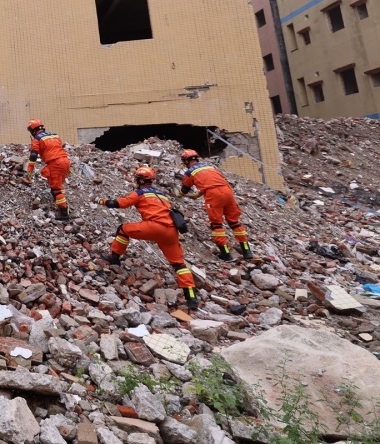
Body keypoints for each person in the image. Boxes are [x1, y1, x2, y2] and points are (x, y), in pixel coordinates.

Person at [96, 166, 199, 309]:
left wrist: (101, 201)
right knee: (179, 264)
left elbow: (119, 204)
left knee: (123, 230)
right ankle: (192, 299)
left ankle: (114, 258)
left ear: (139, 180)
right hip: (171, 231)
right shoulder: (161, 195)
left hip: (154, 227)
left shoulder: (140, 193)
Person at [179, 149, 252, 261]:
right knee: (234, 223)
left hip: (214, 195)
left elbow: (185, 189)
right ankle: (247, 252)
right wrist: (199, 193)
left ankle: (226, 254)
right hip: (227, 192)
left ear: (186, 161)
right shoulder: (210, 167)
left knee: (216, 224)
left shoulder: (190, 172)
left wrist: (179, 195)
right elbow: (215, 181)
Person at [23, 119, 72, 221]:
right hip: (65, 161)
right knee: (58, 185)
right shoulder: (55, 135)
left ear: (33, 130)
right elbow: (55, 148)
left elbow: (33, 155)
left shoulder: (37, 139)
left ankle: (64, 213)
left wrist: (29, 170)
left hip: (55, 163)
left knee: (56, 189)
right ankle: (64, 207)